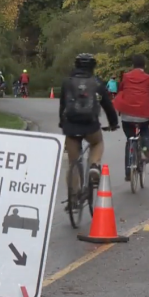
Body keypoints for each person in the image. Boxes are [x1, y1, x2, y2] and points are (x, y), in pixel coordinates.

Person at [59, 53, 118, 200]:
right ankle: (94, 165)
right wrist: (113, 123)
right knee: (97, 142)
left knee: (73, 162)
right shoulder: (98, 83)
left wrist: (62, 123)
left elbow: (63, 105)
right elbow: (108, 106)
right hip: (90, 125)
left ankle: (73, 197)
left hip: (71, 126)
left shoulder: (67, 82)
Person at [114, 55, 149, 181]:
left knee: (130, 139)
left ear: (132, 65)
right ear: (144, 66)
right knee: (145, 130)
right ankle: (146, 148)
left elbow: (121, 91)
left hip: (127, 115)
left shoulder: (125, 77)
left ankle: (128, 172)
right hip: (144, 114)